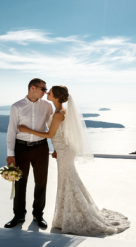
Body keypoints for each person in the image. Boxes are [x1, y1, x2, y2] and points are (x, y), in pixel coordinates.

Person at [19, 85, 130, 236]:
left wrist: (27, 130)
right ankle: (66, 216)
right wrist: (57, 150)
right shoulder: (60, 111)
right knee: (68, 182)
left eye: (49, 92)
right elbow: (62, 133)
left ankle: (74, 216)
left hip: (65, 153)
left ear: (56, 97)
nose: (47, 94)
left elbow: (50, 135)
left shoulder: (58, 114)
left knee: (68, 182)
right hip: (63, 152)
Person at [5, 78, 53, 229]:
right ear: (33, 88)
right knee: (20, 182)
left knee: (41, 182)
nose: (45, 92)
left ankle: (38, 215)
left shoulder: (47, 105)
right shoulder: (16, 106)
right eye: (43, 89)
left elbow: (53, 128)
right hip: (21, 148)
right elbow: (11, 130)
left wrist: (57, 148)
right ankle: (19, 215)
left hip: (41, 148)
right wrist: (10, 153)